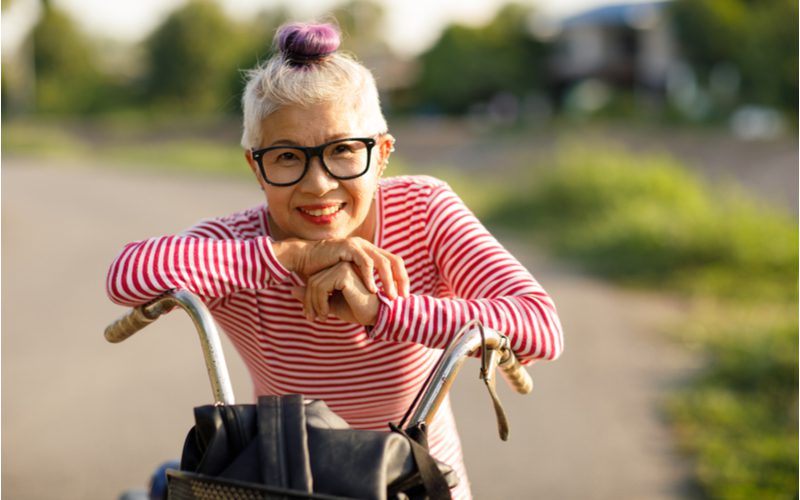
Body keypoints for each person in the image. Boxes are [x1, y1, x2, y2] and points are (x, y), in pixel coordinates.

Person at [106, 21, 563, 500]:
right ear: (255, 166)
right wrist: (292, 255)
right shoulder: (241, 245)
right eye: (286, 157)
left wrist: (382, 312)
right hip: (285, 483)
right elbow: (127, 275)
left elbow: (539, 326)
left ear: (382, 153)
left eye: (344, 150)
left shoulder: (424, 211)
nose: (318, 184)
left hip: (417, 483)